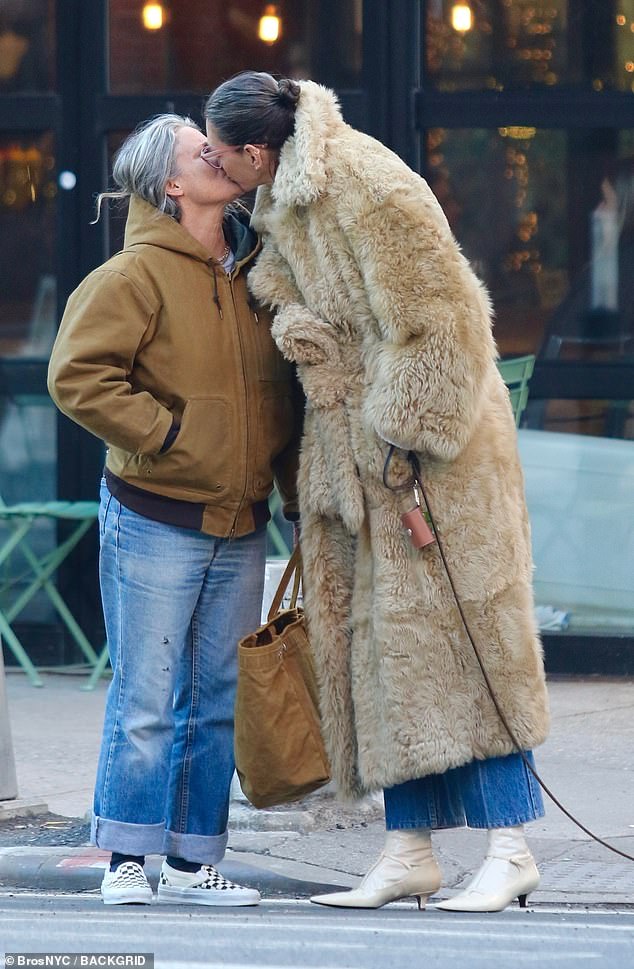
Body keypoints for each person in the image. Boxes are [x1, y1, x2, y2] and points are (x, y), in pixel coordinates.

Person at [203, 73, 550, 913]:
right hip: (352, 455)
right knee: (384, 658)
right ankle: (409, 851)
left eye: (218, 150)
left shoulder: (367, 180)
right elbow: (282, 287)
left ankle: (511, 848)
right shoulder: (285, 198)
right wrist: (297, 327)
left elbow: (444, 321)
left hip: (432, 456)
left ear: (256, 152)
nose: (209, 161)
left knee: (467, 650)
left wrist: (402, 441)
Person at [47, 114, 300, 907]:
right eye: (202, 151)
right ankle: (126, 852)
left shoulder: (258, 272)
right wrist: (169, 434)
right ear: (173, 184)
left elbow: (280, 394)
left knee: (218, 700)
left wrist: (290, 490)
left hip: (241, 519)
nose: (219, 155)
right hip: (154, 516)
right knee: (149, 695)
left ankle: (194, 860)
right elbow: (78, 375)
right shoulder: (133, 276)